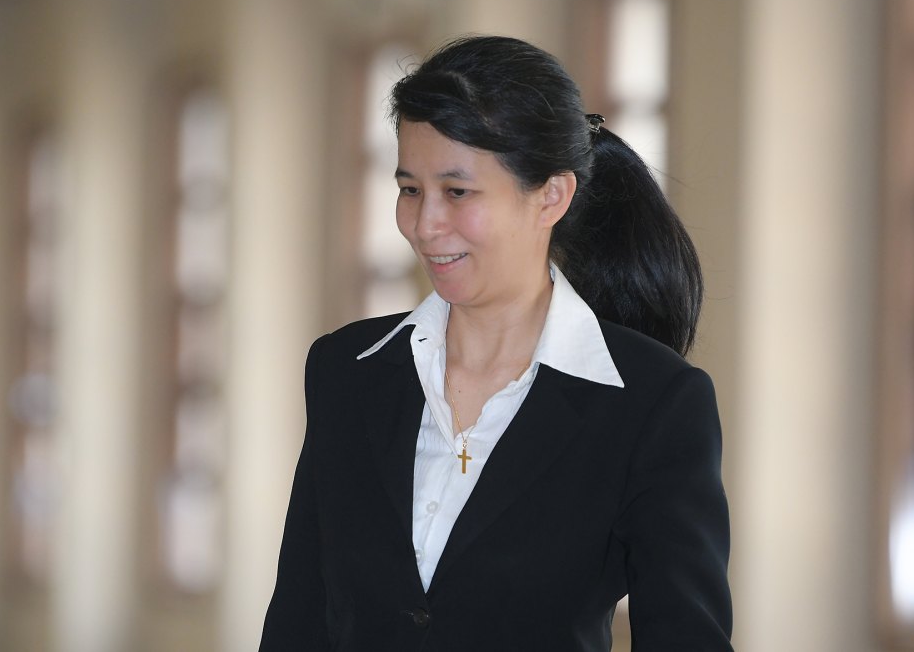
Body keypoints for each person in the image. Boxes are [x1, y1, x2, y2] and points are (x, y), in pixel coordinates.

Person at [260, 35, 733, 651]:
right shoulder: (346, 373)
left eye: (457, 192)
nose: (425, 224)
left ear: (551, 196)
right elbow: (298, 622)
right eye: (409, 189)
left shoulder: (654, 403)